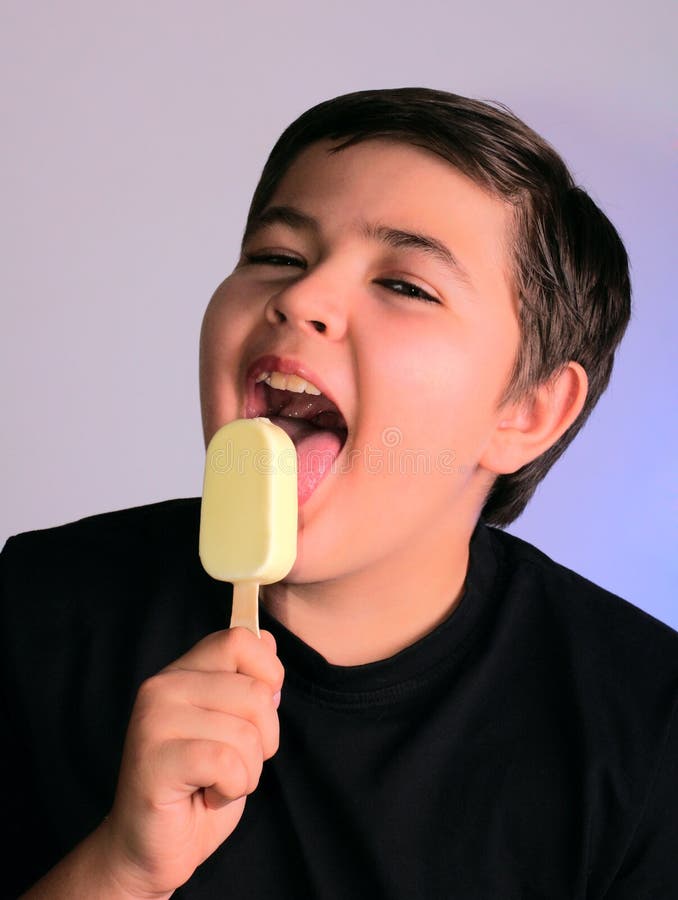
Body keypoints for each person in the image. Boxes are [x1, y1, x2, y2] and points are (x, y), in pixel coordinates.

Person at [2, 88, 676, 899]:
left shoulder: (646, 730)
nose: (300, 298)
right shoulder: (38, 603)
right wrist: (120, 870)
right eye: (278, 257)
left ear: (527, 409)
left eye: (406, 285)